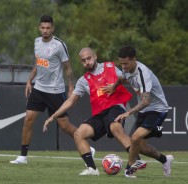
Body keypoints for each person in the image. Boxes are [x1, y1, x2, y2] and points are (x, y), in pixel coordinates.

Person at [43, 47, 146, 175]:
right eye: (83, 60)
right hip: (100, 114)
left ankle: (136, 160)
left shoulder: (110, 67)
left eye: (89, 58)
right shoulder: (83, 81)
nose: (87, 62)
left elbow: (126, 78)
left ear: (95, 56)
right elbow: (70, 101)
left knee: (115, 128)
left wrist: (119, 86)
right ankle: (92, 169)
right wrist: (53, 116)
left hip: (115, 107)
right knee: (78, 134)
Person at [10, 15, 95, 164]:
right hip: (39, 88)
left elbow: (67, 67)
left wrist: (70, 87)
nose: (45, 30)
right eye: (42, 28)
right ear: (39, 28)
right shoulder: (37, 42)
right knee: (28, 119)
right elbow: (38, 63)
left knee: (64, 125)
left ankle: (88, 147)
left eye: (48, 28)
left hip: (55, 91)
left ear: (52, 29)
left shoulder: (59, 45)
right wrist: (30, 80)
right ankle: (23, 156)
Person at [103, 46, 173, 178]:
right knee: (138, 146)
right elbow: (123, 78)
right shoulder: (127, 69)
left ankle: (129, 169)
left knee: (134, 138)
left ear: (134, 60)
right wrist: (113, 86)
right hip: (144, 111)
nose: (123, 67)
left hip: (157, 110)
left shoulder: (143, 73)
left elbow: (146, 101)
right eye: (121, 63)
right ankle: (165, 160)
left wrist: (127, 113)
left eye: (126, 63)